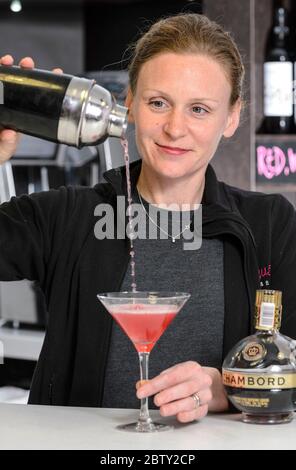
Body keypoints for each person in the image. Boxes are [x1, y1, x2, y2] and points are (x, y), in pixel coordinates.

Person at [0, 13, 295, 424]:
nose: (175, 128)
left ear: (230, 118)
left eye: (199, 109)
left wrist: (228, 385)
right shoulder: (68, 217)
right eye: (158, 103)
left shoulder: (268, 224)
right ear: (130, 103)